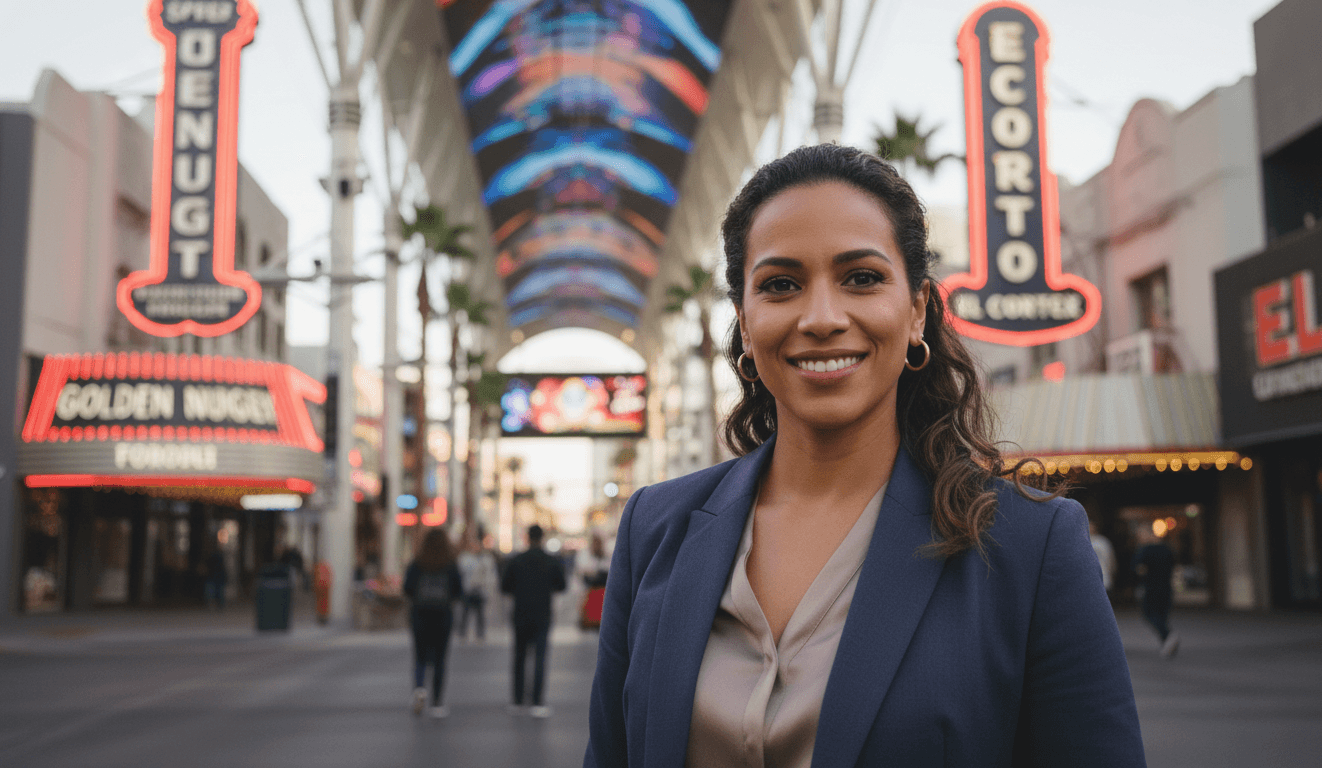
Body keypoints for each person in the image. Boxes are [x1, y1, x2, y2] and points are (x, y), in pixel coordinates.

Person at [584, 145, 1145, 767]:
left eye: (862, 278)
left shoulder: (1028, 546)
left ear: (917, 311)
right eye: (781, 285)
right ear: (745, 324)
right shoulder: (655, 529)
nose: (822, 317)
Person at [502, 524, 568, 718]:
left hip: (520, 612)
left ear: (527, 537)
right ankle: (538, 702)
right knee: (540, 656)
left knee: (519, 656)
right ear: (542, 538)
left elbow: (505, 586)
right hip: (542, 613)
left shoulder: (516, 560)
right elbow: (561, 586)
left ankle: (517, 700)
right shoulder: (550, 561)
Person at [403, 527, 462, 717]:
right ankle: (437, 702)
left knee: (420, 656)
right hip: (443, 616)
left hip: (420, 615)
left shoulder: (418, 562)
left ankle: (420, 689)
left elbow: (407, 588)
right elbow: (458, 591)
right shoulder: (450, 564)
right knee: (440, 658)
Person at [1133, 526, 1179, 659]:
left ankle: (1168, 636)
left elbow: (1137, 568)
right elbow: (1173, 565)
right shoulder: (1167, 549)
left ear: (1148, 534)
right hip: (1166, 586)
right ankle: (1167, 643)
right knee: (1162, 615)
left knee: (1149, 614)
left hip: (1150, 586)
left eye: (1141, 535)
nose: (1139, 538)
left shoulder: (1145, 550)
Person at [456, 536, 494, 641]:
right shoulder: (464, 558)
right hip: (468, 589)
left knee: (480, 614)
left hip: (480, 590)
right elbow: (460, 572)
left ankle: (480, 634)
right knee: (465, 613)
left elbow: (489, 575)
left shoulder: (485, 559)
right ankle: (462, 633)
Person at [1090, 520, 1117, 595]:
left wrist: (1112, 573)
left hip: (1104, 577)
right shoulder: (1082, 541)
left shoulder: (1102, 541)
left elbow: (1110, 559)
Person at [203, 546, 227, 611]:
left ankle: (214, 605)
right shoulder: (219, 557)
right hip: (216, 576)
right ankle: (219, 605)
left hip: (214, 576)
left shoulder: (212, 557)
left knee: (214, 591)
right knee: (217, 591)